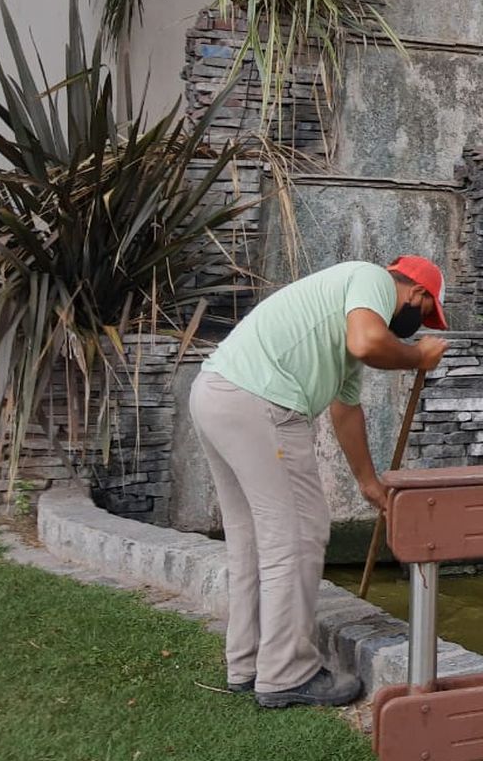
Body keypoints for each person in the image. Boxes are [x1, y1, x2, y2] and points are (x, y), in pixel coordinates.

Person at [188, 257, 449, 708]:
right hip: (262, 403)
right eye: (423, 315)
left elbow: (345, 411)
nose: (412, 325)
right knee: (298, 534)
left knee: (251, 539)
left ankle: (247, 663)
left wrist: (368, 482)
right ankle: (287, 673)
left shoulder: (343, 322)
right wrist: (416, 357)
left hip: (217, 393)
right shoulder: (370, 279)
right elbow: (370, 342)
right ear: (416, 294)